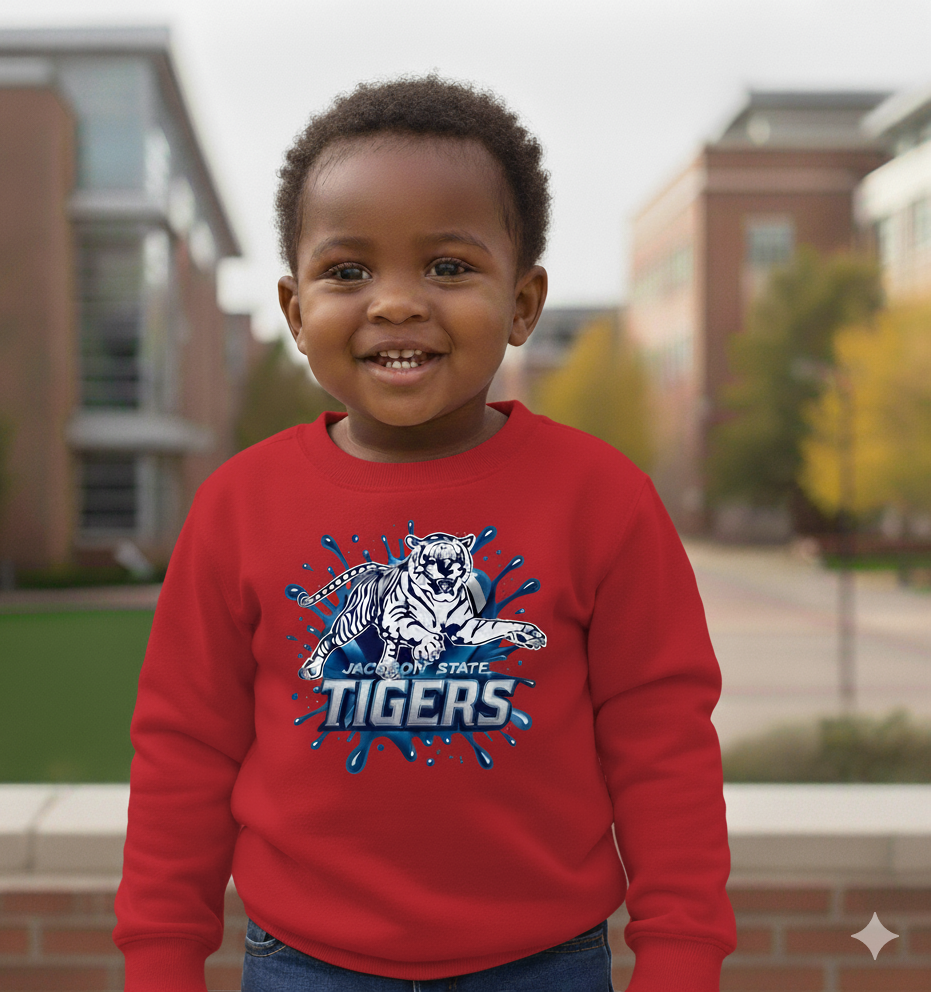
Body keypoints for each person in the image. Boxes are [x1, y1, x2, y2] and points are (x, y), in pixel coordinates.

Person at [113, 76, 736, 992]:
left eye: (448, 266)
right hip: (303, 966)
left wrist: (681, 958)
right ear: (294, 312)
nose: (396, 303)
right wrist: (162, 961)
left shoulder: (603, 499)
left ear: (523, 304)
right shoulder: (237, 506)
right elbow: (185, 751)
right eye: (348, 270)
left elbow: (663, 748)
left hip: (545, 966)